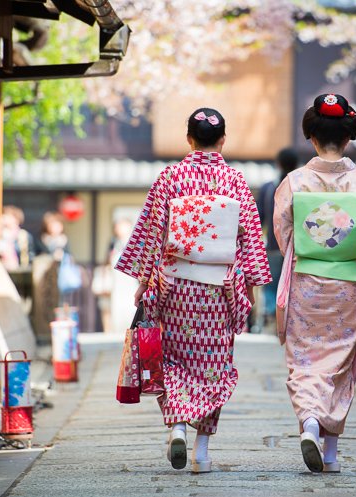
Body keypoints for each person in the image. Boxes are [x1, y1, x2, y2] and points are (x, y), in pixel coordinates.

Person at [115, 107, 272, 473]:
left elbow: (153, 236)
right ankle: (201, 452)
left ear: (189, 139)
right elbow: (250, 240)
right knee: (213, 366)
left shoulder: (169, 178)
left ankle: (177, 427)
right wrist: (248, 290)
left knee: (171, 360)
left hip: (174, 285)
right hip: (218, 290)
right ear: (223, 141)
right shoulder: (235, 181)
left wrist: (143, 284)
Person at [273, 94, 356, 473]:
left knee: (305, 360)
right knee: (340, 362)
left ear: (311, 136)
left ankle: (309, 421)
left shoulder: (295, 181)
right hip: (347, 286)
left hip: (306, 284)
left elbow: (282, 231)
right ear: (348, 137)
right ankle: (330, 454)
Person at [256, 148, 299, 324]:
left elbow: (259, 218)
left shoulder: (268, 187)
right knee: (292, 284)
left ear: (278, 163)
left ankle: (271, 316)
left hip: (273, 246)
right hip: (297, 247)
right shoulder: (300, 187)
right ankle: (287, 318)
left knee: (272, 283)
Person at [0, 205, 35, 270]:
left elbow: (29, 255)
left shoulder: (23, 235)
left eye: (8, 217)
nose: (4, 219)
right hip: (1, 269)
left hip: (20, 270)